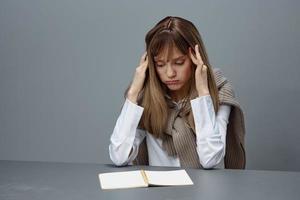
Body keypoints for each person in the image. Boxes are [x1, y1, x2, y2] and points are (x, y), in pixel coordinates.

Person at [109, 16, 246, 169]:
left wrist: (203, 94)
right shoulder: (147, 98)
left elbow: (211, 159)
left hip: (205, 191)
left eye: (179, 63)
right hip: (159, 191)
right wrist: (133, 93)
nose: (170, 73)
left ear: (195, 57)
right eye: (160, 64)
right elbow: (119, 157)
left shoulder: (218, 91)